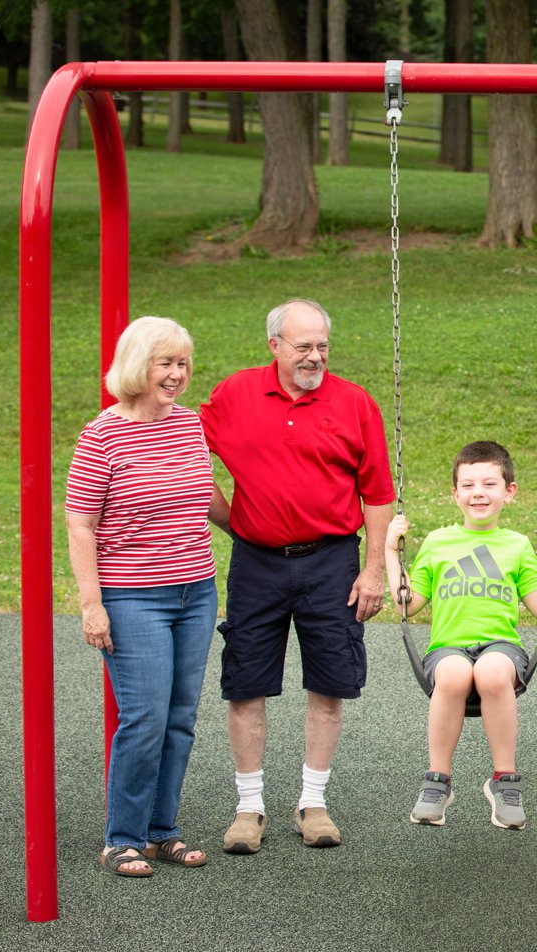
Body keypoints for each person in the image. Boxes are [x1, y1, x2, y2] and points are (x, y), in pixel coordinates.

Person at [200, 299, 394, 854]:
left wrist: (374, 570)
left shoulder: (354, 402)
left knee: (330, 682)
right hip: (256, 562)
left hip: (332, 560)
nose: (315, 357)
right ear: (275, 346)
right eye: (303, 346)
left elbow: (378, 494)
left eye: (322, 346)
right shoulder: (234, 394)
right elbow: (183, 452)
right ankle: (249, 808)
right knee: (245, 682)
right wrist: (232, 520)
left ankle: (313, 802)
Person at [65, 316, 219, 877]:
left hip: (197, 590)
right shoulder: (102, 436)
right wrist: (92, 604)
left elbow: (205, 494)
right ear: (137, 365)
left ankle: (161, 831)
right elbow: (80, 523)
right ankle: (122, 838)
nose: (177, 374)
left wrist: (260, 533)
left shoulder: (188, 425)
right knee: (146, 716)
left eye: (183, 363)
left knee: (180, 717)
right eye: (165, 363)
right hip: (134, 596)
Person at [384, 440, 537, 829]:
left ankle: (504, 781)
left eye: (490, 484)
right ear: (455, 494)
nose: (478, 493)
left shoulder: (516, 545)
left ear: (509, 491)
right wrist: (391, 550)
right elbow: (409, 601)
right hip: (448, 648)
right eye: (468, 485)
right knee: (454, 674)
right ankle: (438, 781)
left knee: (491, 671)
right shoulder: (438, 542)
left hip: (501, 647)